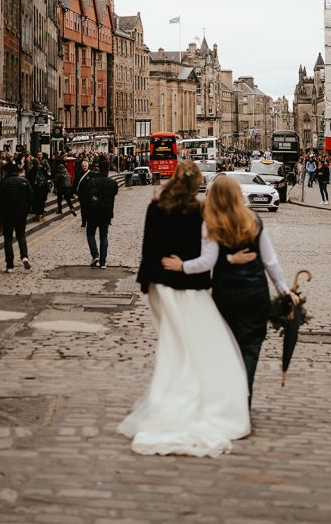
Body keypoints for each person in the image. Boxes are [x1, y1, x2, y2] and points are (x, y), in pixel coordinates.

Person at [118, 161, 250, 458]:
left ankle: (168, 399)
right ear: (195, 185)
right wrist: (229, 262)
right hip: (190, 286)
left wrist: (147, 279)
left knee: (172, 342)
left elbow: (147, 247)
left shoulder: (155, 207)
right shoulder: (200, 210)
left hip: (159, 283)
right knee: (196, 344)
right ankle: (192, 399)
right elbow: (209, 254)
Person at [163, 174, 298, 405]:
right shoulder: (253, 220)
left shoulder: (212, 223)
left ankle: (231, 398)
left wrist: (182, 266)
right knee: (251, 347)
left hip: (226, 294)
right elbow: (270, 261)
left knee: (229, 347)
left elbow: (207, 262)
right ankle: (244, 398)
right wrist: (285, 291)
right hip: (256, 293)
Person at [0, 161, 33, 272]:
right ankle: (24, 256)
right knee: (21, 236)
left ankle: (10, 266)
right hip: (21, 215)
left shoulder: (3, 183)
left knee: (8, 239)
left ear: (6, 171)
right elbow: (31, 197)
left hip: (8, 216)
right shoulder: (24, 181)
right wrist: (26, 211)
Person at [82, 165, 119, 267]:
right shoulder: (113, 183)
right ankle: (103, 262)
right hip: (106, 214)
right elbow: (115, 193)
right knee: (104, 236)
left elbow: (87, 197)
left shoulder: (93, 182)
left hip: (93, 213)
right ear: (107, 171)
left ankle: (95, 255)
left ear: (98, 171)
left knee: (90, 234)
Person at [27, 154, 50, 221]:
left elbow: (29, 180)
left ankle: (36, 213)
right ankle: (41, 213)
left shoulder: (32, 170)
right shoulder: (42, 168)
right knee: (42, 200)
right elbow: (46, 176)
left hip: (35, 188)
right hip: (43, 187)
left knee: (36, 200)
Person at [75, 159, 92, 227]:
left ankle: (89, 220)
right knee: (83, 209)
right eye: (83, 166)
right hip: (81, 195)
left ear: (88, 166)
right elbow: (75, 183)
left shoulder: (91, 173)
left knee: (89, 209)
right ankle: (83, 221)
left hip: (89, 194)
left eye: (85, 166)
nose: (84, 167)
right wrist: (74, 192)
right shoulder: (79, 173)